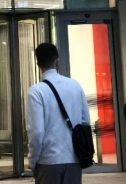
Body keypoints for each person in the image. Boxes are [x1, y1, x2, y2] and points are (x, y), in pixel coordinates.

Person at [26, 43, 90, 184]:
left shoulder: (36, 92)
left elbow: (36, 132)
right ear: (57, 62)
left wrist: (32, 160)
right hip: (73, 160)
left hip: (48, 162)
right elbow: (85, 121)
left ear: (38, 64)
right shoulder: (75, 85)